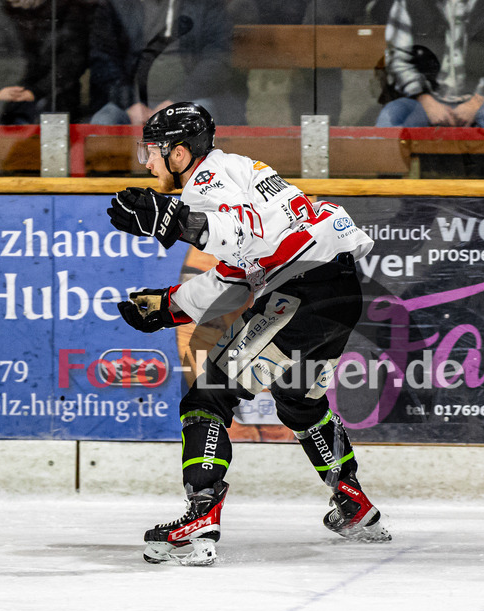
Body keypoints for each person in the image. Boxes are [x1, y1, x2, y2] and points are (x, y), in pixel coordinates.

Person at [106, 102, 389, 565]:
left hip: (301, 291)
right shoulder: (237, 170)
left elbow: (241, 232)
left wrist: (174, 221)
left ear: (180, 153)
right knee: (299, 400)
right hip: (338, 293)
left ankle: (201, 514)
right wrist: (169, 306)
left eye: (153, 152)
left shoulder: (206, 182)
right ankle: (353, 502)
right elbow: (239, 270)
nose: (149, 162)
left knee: (207, 397)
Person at [374, 0, 484, 177]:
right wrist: (424, 98)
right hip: (423, 101)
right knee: (389, 119)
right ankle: (385, 201)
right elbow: (397, 58)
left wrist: (477, 101)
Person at [88, 0, 245, 126]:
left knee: (200, 121)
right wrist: (129, 103)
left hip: (190, 99)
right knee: (103, 122)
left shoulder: (205, 4)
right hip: (131, 106)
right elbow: (103, 60)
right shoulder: (117, 5)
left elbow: (217, 60)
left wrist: (176, 102)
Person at [0, 0, 94, 125]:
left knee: (46, 123)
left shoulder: (66, 5)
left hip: (50, 94)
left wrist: (36, 91)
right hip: (0, 93)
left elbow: (72, 59)